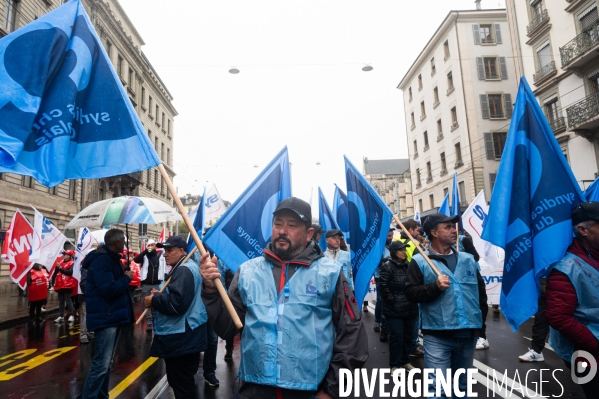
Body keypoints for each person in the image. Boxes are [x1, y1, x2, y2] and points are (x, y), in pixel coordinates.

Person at [200, 197, 368, 399]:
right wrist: (210, 290)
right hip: (254, 390)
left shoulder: (330, 273)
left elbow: (352, 335)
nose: (282, 231)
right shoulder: (247, 272)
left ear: (309, 234)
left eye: (292, 225)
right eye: (278, 224)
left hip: (310, 392)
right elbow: (227, 328)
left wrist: (332, 389)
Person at [405, 213, 487, 398]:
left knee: (462, 388)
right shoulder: (420, 262)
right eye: (448, 227)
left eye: (454, 226)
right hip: (437, 334)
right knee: (438, 389)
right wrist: (434, 288)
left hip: (468, 334)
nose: (454, 230)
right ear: (434, 232)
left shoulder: (468, 260)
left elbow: (480, 295)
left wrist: (481, 328)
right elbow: (410, 293)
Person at [546, 202, 599, 398]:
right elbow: (558, 316)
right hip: (585, 352)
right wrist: (594, 344)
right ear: (583, 230)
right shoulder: (566, 267)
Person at [144, 236, 208, 399]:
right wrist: (161, 295)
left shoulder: (184, 270)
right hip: (187, 333)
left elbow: (177, 304)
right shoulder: (187, 267)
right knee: (184, 382)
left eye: (170, 250)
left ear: (182, 251)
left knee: (181, 383)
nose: (165, 254)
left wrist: (154, 299)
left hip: (180, 336)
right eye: (165, 250)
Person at [81, 229, 134, 399]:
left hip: (112, 316)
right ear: (117, 242)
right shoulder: (102, 260)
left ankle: (102, 395)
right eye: (123, 241)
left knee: (107, 362)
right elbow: (109, 289)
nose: (125, 243)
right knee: (101, 363)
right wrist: (126, 278)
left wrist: (123, 272)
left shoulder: (112, 259)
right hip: (106, 317)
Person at [379, 241, 419, 372]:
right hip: (395, 310)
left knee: (408, 337)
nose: (403, 252)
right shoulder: (388, 266)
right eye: (400, 250)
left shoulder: (408, 266)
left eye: (404, 249)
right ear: (394, 252)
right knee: (396, 338)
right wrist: (393, 301)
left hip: (410, 308)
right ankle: (395, 365)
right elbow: (383, 286)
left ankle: (405, 361)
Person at [134, 239, 167, 332]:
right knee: (146, 304)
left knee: (157, 303)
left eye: (152, 245)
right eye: (149, 245)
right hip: (146, 284)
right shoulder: (144, 256)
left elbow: (165, 268)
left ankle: (157, 321)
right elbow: (136, 260)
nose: (151, 247)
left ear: (155, 246)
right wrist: (145, 250)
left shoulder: (160, 255)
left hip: (157, 284)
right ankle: (149, 323)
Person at [518, 279, 548, 362]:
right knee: (540, 320)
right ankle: (536, 350)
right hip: (545, 291)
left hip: (563, 289)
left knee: (565, 322)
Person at [374, 228, 394, 341]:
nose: (390, 238)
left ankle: (387, 326)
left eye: (391, 236)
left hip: (392, 277)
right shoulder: (379, 247)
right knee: (381, 300)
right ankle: (378, 321)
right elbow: (377, 262)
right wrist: (390, 259)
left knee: (389, 301)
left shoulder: (394, 246)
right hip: (380, 277)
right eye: (388, 236)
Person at [52, 250, 77, 324]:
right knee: (61, 301)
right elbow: (55, 273)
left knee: (68, 300)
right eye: (63, 254)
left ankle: (71, 315)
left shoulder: (72, 263)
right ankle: (61, 315)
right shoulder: (60, 263)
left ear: (69, 256)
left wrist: (60, 268)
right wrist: (52, 283)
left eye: (65, 254)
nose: (63, 255)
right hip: (60, 285)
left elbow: (69, 272)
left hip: (68, 285)